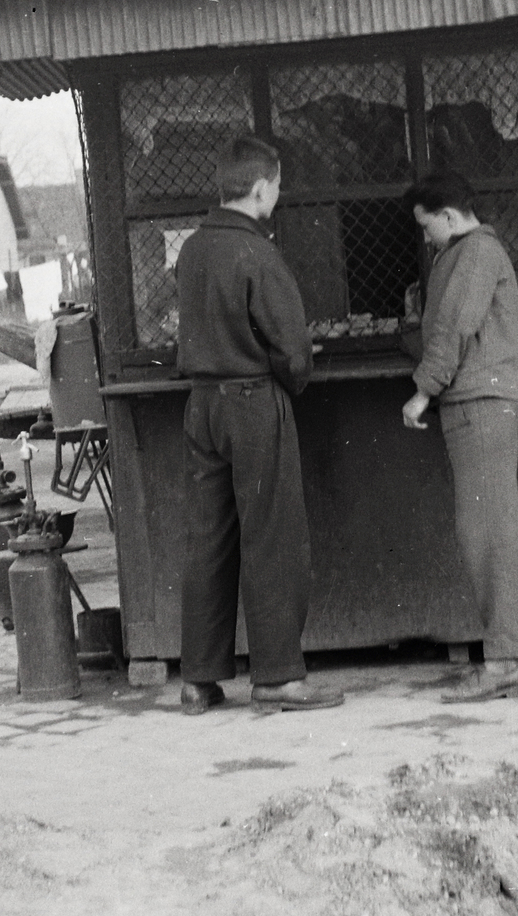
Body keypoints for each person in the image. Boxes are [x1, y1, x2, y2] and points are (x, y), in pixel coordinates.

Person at [174, 134, 344, 716]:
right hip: (251, 403)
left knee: (209, 539)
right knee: (270, 535)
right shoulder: (258, 254)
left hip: (201, 405)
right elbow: (294, 349)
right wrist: (288, 378)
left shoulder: (193, 250)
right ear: (262, 187)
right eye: (277, 185)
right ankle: (275, 678)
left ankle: (198, 679)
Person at [402, 170, 518, 702]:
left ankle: (505, 661)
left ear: (450, 216)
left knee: (485, 532)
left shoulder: (475, 253)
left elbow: (455, 325)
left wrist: (422, 390)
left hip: (480, 407)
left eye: (426, 225)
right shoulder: (467, 255)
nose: (425, 236)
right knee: (495, 528)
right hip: (481, 405)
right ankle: (516, 654)